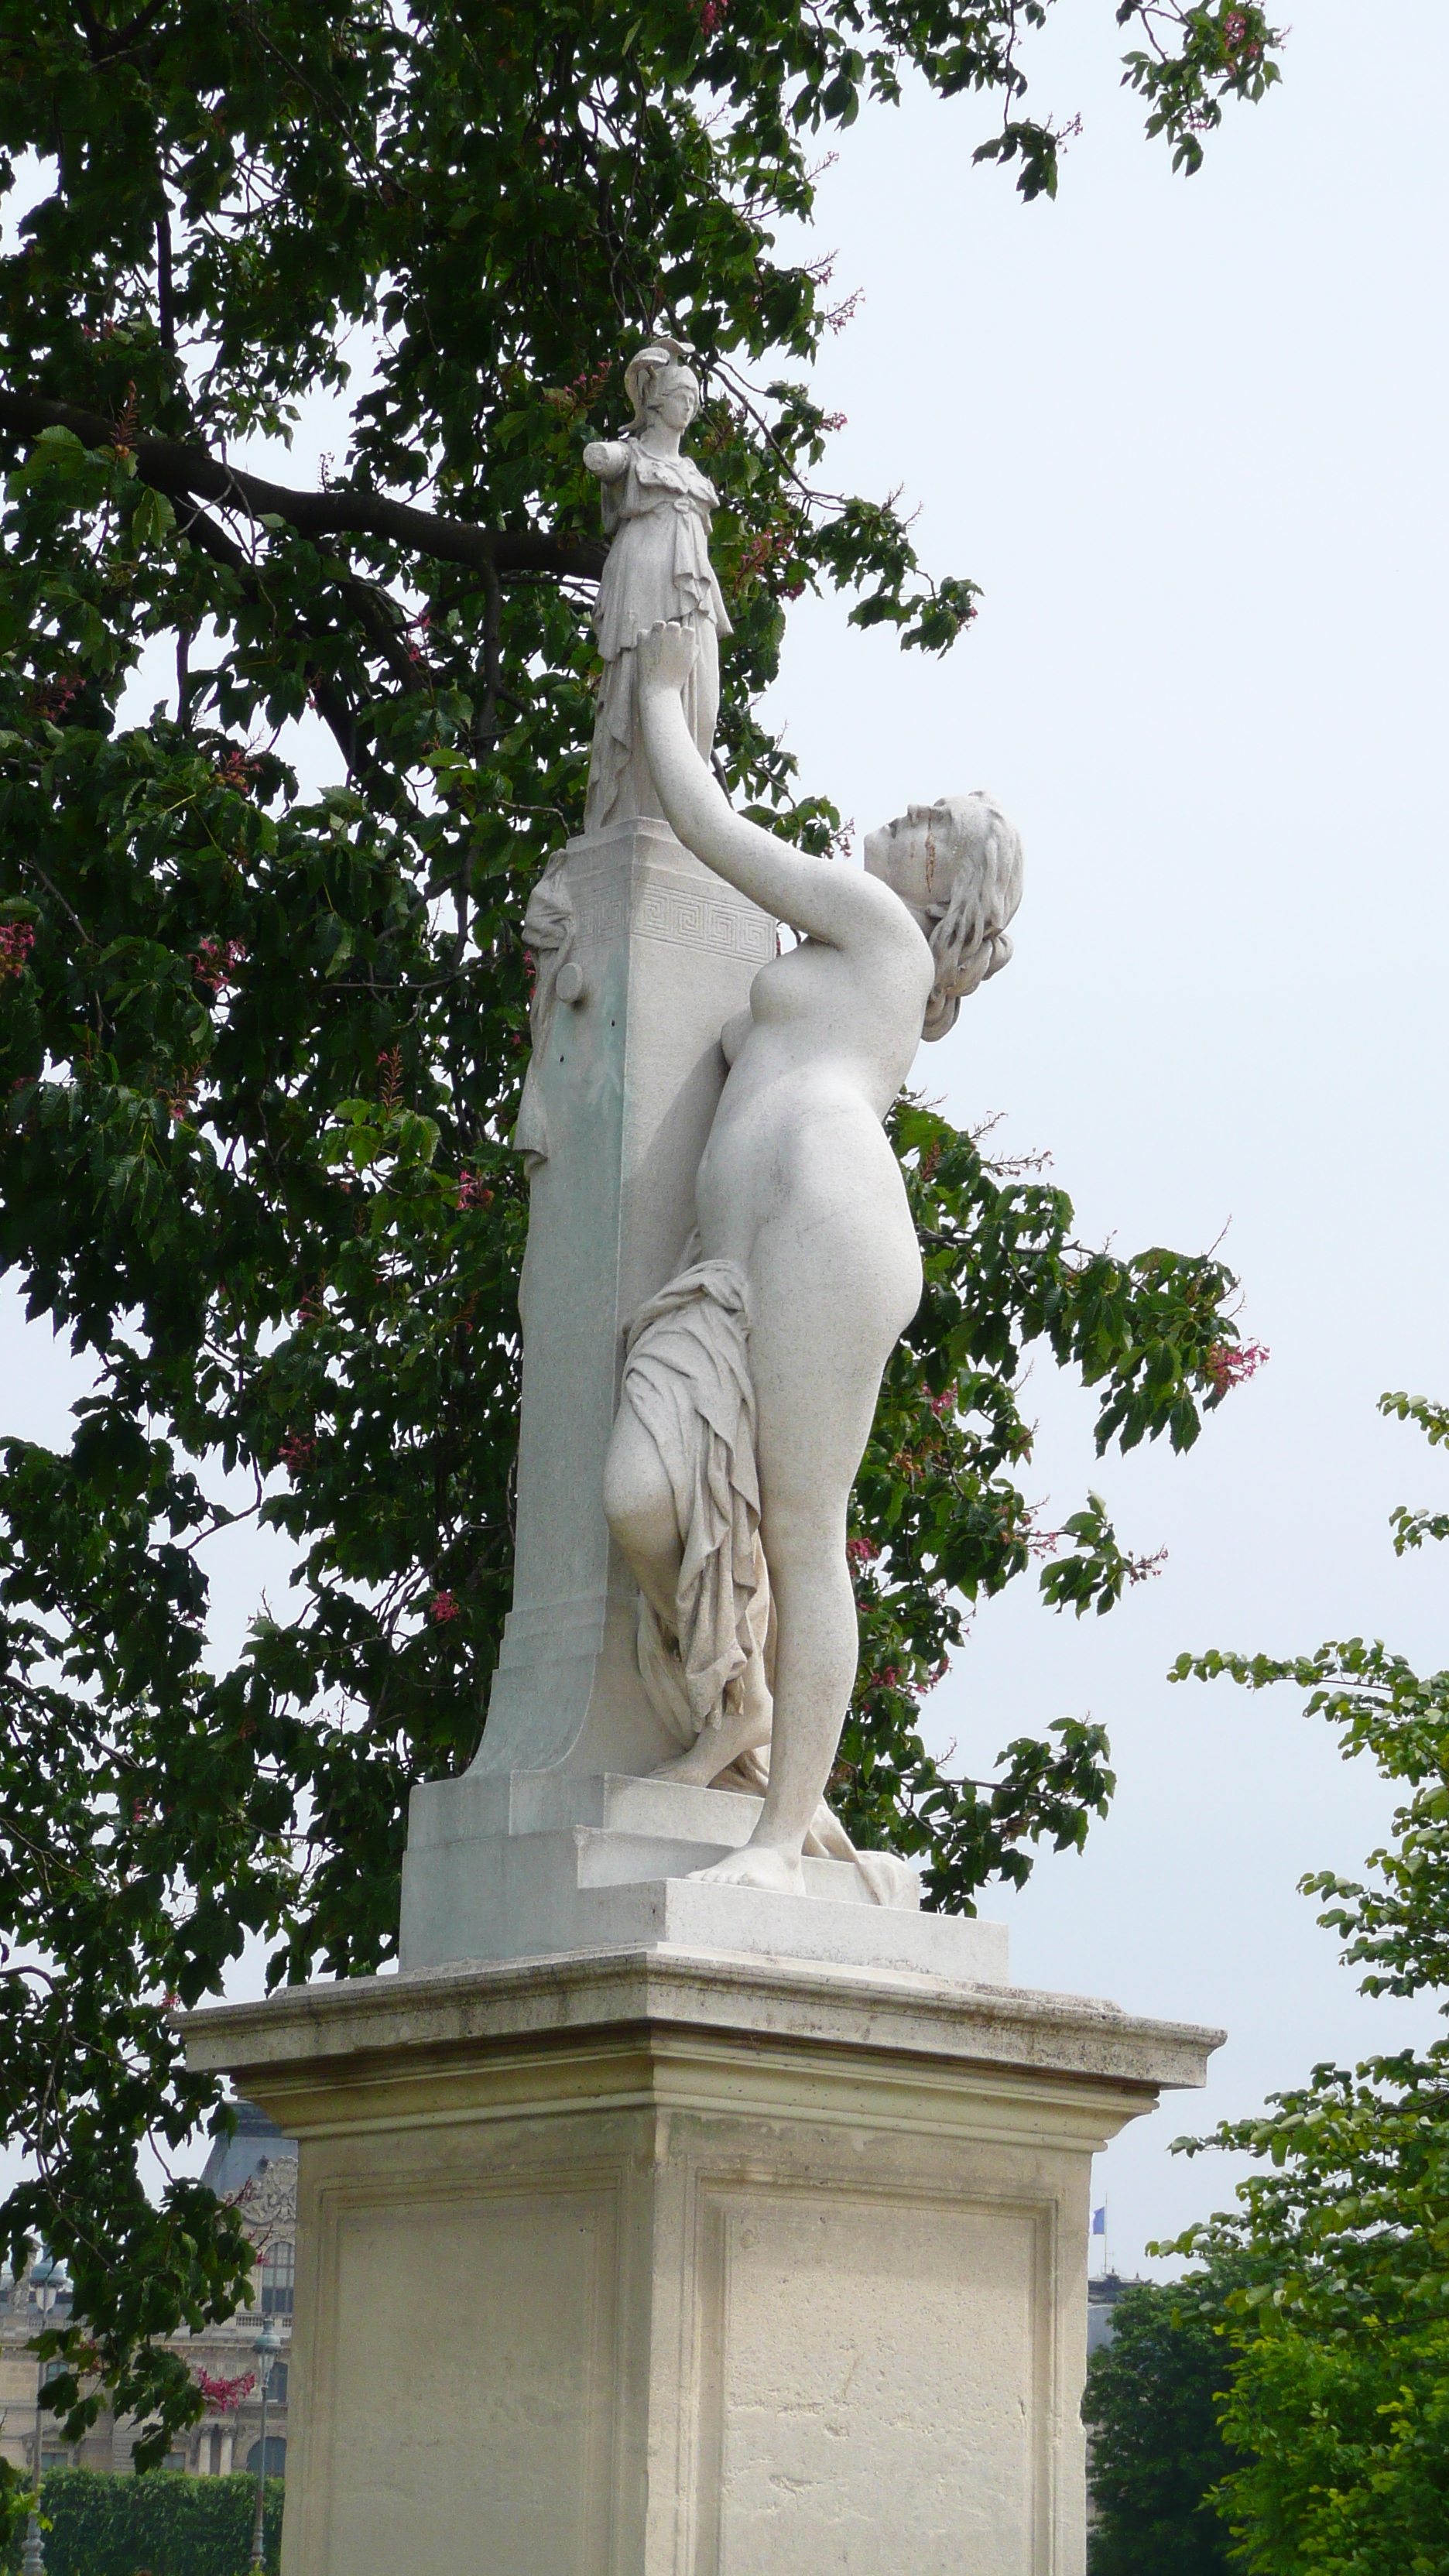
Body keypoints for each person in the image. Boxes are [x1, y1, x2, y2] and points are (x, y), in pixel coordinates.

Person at [603, 615, 1023, 1896]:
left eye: (922, 817)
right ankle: (736, 1708)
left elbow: (712, 830)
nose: (895, 818)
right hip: (728, 1264)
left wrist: (660, 691)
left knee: (804, 1526)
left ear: (942, 871)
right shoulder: (841, 954)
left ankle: (781, 1835)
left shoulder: (879, 928)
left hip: (827, 1218)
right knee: (638, 1495)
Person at [582, 340, 731, 832]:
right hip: (644, 575)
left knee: (701, 696)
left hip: (694, 585)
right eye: (679, 393)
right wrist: (605, 456)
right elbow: (605, 462)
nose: (689, 403)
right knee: (638, 684)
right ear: (654, 402)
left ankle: (685, 815)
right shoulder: (633, 455)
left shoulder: (692, 473)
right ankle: (634, 811)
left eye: (694, 395)